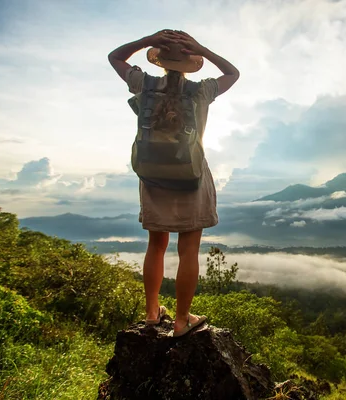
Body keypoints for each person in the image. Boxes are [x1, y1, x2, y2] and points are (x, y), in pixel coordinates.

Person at [108, 30, 239, 336]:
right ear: (192, 62)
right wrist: (203, 48)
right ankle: (181, 321)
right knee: (188, 250)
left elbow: (114, 57)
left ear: (161, 60)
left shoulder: (144, 84)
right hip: (191, 176)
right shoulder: (202, 91)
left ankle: (152, 313)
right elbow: (233, 73)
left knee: (156, 245)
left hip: (153, 175)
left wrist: (144, 40)